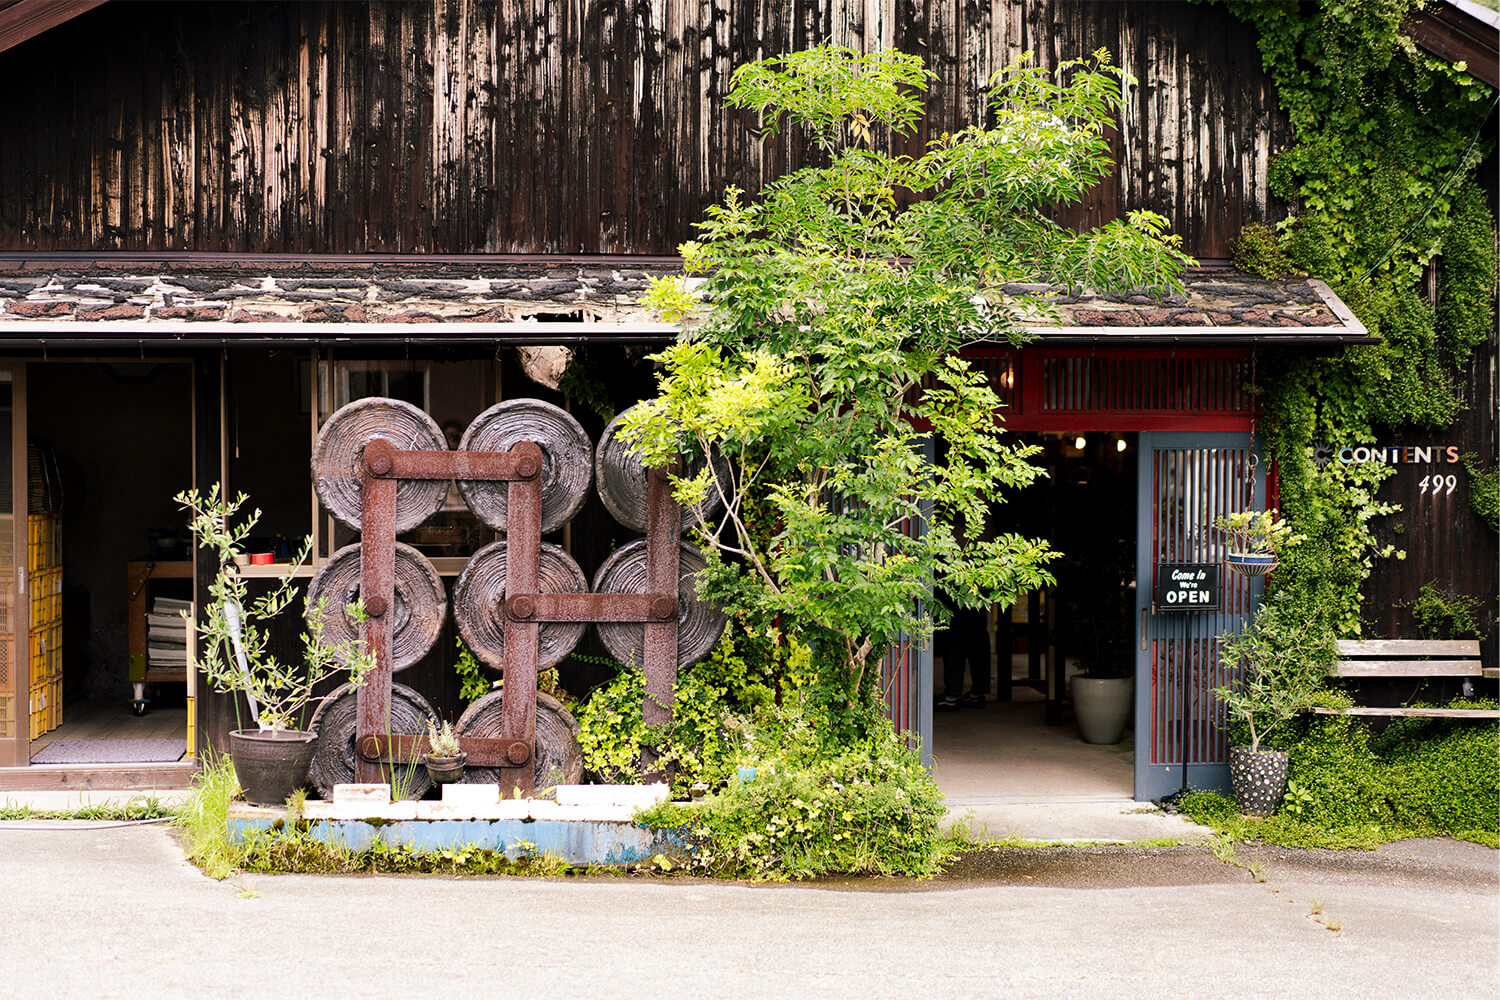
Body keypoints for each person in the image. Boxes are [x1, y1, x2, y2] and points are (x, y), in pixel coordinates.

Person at [935, 601, 992, 711]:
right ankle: (977, 693)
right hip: (977, 598)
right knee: (978, 639)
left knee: (955, 641)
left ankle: (952, 695)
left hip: (956, 601)